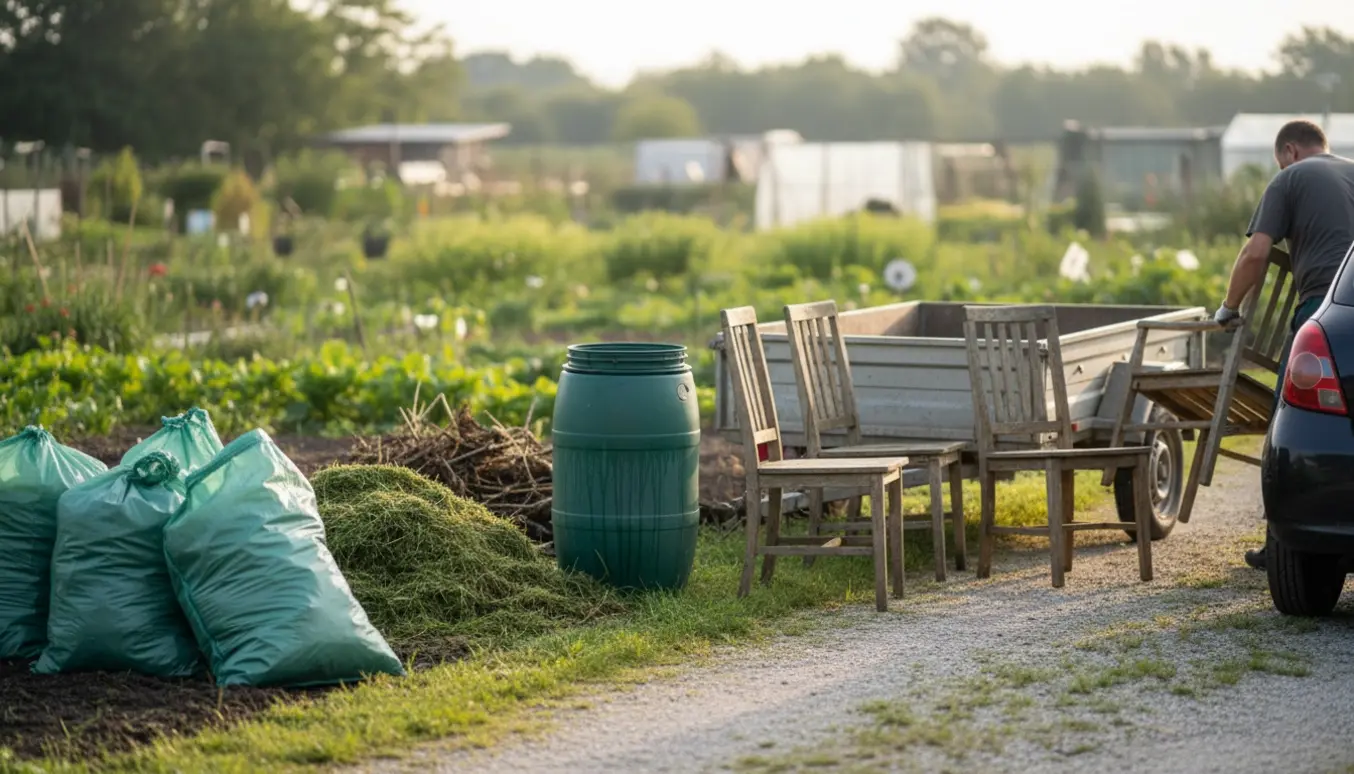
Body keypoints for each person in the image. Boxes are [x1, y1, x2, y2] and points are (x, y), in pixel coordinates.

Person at [1211, 119, 1354, 570]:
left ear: (1290, 150)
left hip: (1325, 312)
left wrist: (1228, 307)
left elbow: (1256, 253)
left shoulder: (1289, 178)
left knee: (1288, 423)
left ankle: (1285, 544)